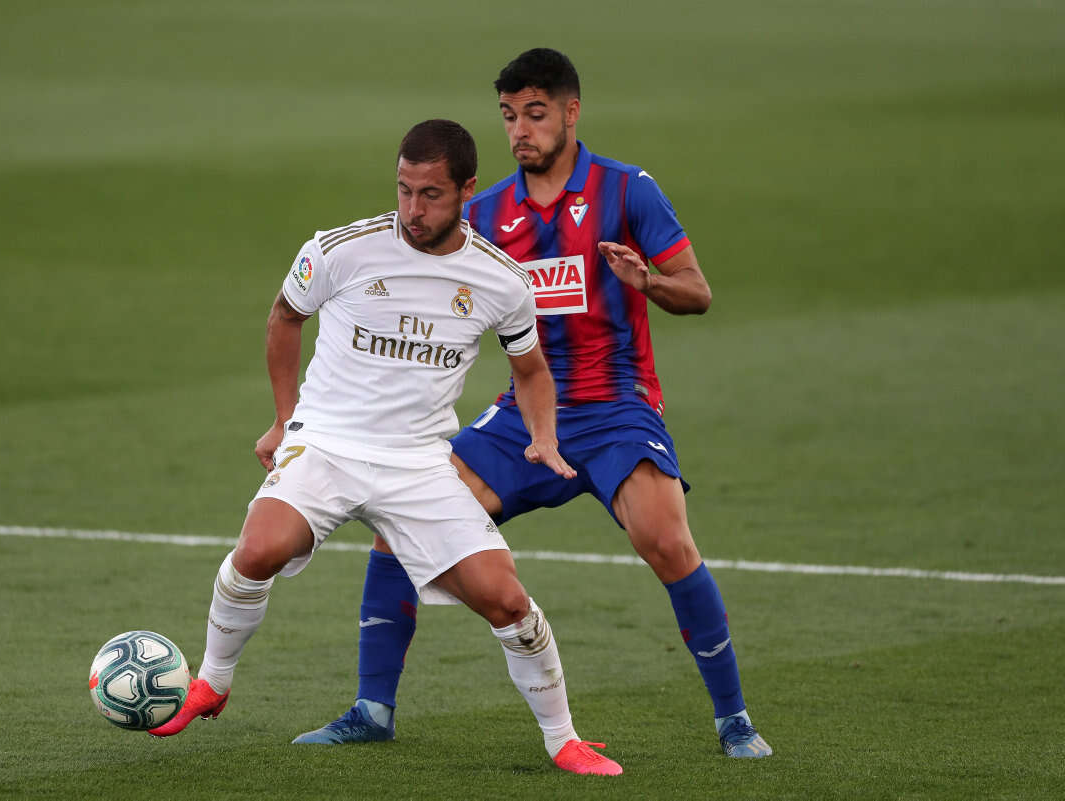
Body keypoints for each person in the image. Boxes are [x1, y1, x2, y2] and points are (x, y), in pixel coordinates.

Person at [293, 49, 772, 759]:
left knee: (667, 540)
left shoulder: (627, 191)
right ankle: (372, 707)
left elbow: (696, 291)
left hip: (615, 407)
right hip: (522, 415)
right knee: (397, 525)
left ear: (571, 112)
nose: (521, 129)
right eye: (510, 115)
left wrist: (646, 281)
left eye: (536, 113)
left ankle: (734, 719)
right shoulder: (485, 212)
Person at [146, 119, 622, 776]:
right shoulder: (340, 249)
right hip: (328, 443)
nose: (412, 209)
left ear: (467, 190)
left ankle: (563, 738)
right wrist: (285, 420)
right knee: (257, 549)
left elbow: (532, 369)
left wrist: (543, 435)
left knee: (506, 599)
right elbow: (285, 315)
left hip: (419, 463)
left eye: (430, 194)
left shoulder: (501, 280)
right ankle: (213, 679)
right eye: (403, 190)